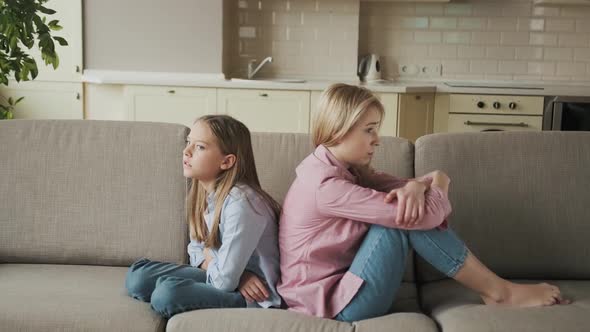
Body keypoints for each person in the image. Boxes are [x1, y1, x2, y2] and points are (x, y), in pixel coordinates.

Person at [277, 83, 569, 322]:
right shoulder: (327, 187)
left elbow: (418, 186)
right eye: (369, 129)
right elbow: (424, 215)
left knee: (407, 208)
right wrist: (439, 182)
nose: (377, 139)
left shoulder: (343, 170)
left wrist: (420, 184)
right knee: (402, 219)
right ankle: (499, 292)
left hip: (343, 290)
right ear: (340, 128)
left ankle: (498, 291)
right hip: (332, 307)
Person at [125, 115, 282, 318]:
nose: (186, 151)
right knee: (138, 277)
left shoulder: (242, 204)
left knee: (166, 294)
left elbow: (223, 282)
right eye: (188, 143)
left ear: (226, 161)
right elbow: (196, 252)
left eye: (199, 147)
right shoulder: (203, 194)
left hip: (251, 297)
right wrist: (239, 275)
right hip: (229, 278)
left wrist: (224, 268)